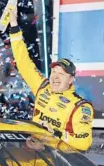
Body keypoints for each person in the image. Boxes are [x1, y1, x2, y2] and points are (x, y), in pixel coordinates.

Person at [7, 6, 94, 151]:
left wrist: (55, 133)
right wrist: (14, 26)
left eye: (61, 74)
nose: (55, 77)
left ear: (71, 79)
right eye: (54, 72)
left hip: (56, 164)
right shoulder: (42, 86)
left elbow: (84, 143)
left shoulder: (80, 107)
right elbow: (23, 62)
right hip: (30, 153)